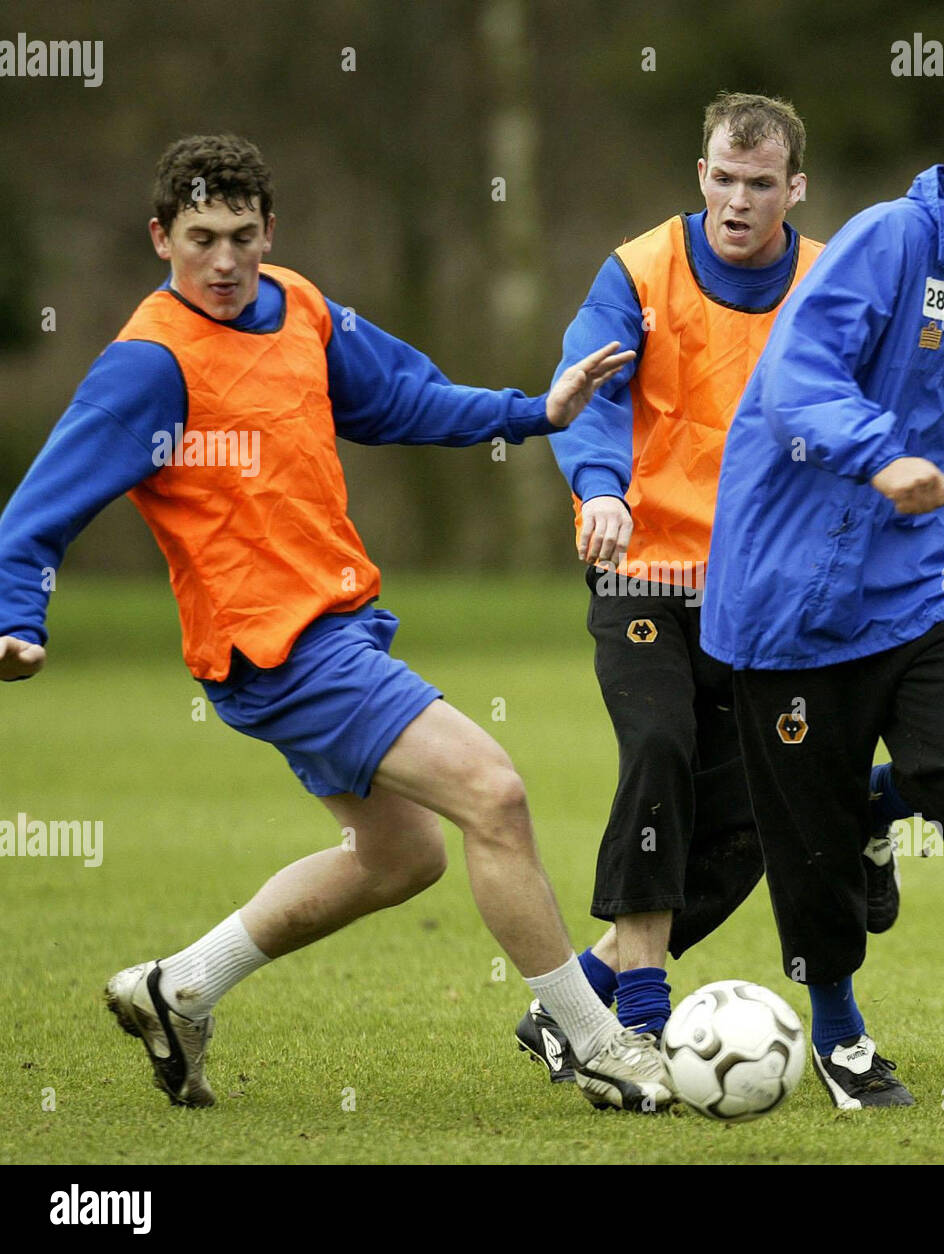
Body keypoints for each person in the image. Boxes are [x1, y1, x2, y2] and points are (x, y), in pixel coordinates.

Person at [0, 133, 672, 1114]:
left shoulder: (301, 307)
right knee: (493, 792)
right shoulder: (149, 366)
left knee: (403, 858)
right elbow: (36, 511)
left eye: (240, 236)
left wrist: (534, 412)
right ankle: (598, 1042)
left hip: (340, 627)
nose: (223, 262)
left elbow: (399, 396)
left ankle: (178, 986)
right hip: (274, 648)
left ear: (268, 230)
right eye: (198, 239)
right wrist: (19, 616)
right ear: (159, 238)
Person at [515, 93, 944, 1084]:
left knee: (760, 818)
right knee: (661, 746)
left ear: (795, 190)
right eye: (722, 176)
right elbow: (587, 390)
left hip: (771, 585)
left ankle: (575, 997)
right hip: (649, 571)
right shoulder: (639, 271)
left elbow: (903, 399)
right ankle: (636, 1022)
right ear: (698, 173)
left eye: (760, 183)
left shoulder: (835, 268)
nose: (737, 199)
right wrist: (598, 490)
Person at [700, 94, 944, 1109]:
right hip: (789, 583)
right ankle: (840, 1039)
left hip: (921, 573)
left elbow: (942, 424)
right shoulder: (887, 238)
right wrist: (882, 460)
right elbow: (794, 380)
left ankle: (877, 808)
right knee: (810, 849)